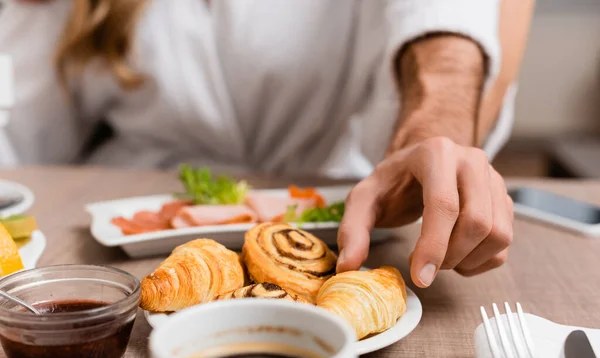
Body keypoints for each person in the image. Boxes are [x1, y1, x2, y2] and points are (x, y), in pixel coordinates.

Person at [0, 0, 534, 287]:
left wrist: (433, 136)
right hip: (123, 252)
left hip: (342, 229)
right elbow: (19, 126)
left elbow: (442, 37)